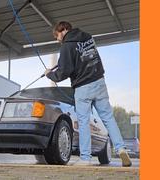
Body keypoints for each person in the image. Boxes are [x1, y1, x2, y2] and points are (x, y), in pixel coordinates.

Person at [44, 21, 132, 167]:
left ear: (64, 30)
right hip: (99, 82)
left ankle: (86, 158)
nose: (58, 39)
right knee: (108, 118)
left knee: (83, 122)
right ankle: (121, 148)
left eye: (57, 35)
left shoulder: (66, 46)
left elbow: (63, 72)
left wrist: (49, 74)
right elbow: (84, 58)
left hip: (83, 87)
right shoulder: (88, 37)